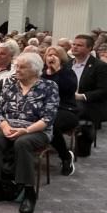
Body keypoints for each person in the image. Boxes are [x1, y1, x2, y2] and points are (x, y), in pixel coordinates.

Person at [0, 53, 59, 213]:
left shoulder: (49, 87)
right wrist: (5, 126)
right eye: (17, 67)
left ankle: (28, 192)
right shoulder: (11, 84)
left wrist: (26, 130)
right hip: (10, 126)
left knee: (23, 143)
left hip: (37, 130)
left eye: (22, 67)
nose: (17, 70)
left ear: (35, 70)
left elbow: (48, 118)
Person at [70, 34, 107, 157]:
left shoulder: (100, 66)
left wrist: (81, 96)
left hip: (90, 103)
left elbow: (104, 91)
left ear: (89, 49)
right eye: (74, 44)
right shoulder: (67, 64)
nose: (75, 47)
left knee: (79, 110)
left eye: (79, 45)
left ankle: (85, 136)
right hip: (69, 101)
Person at [43, 46, 79, 176]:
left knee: (51, 124)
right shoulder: (41, 73)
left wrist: (57, 70)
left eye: (55, 55)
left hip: (65, 110)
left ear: (61, 58)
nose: (51, 57)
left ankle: (65, 157)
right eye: (49, 55)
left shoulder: (67, 73)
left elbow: (68, 89)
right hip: (44, 109)